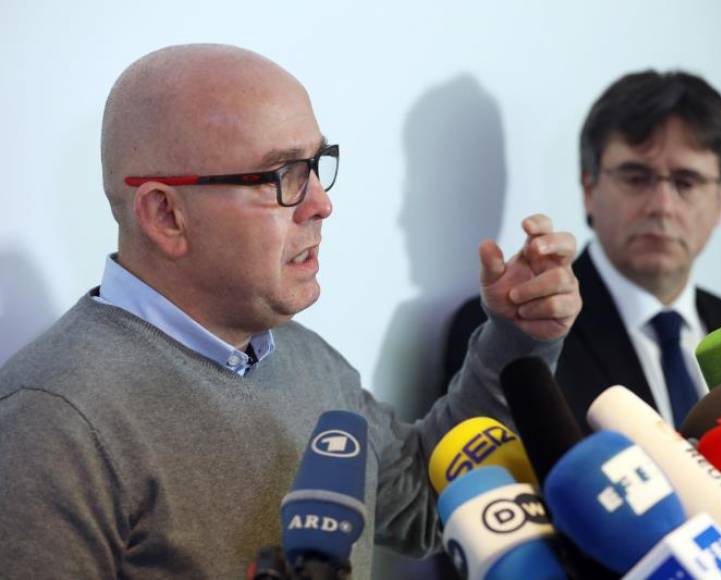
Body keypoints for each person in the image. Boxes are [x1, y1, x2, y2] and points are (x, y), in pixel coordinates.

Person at [0, 44, 581, 579]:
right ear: (165, 216)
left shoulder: (303, 358)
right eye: (284, 175)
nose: (322, 205)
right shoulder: (52, 423)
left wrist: (516, 338)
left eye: (317, 163)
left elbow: (427, 500)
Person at [445, 70, 721, 430]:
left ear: (720, 201)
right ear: (589, 188)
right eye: (636, 177)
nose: (661, 205)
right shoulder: (516, 334)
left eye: (686, 182)